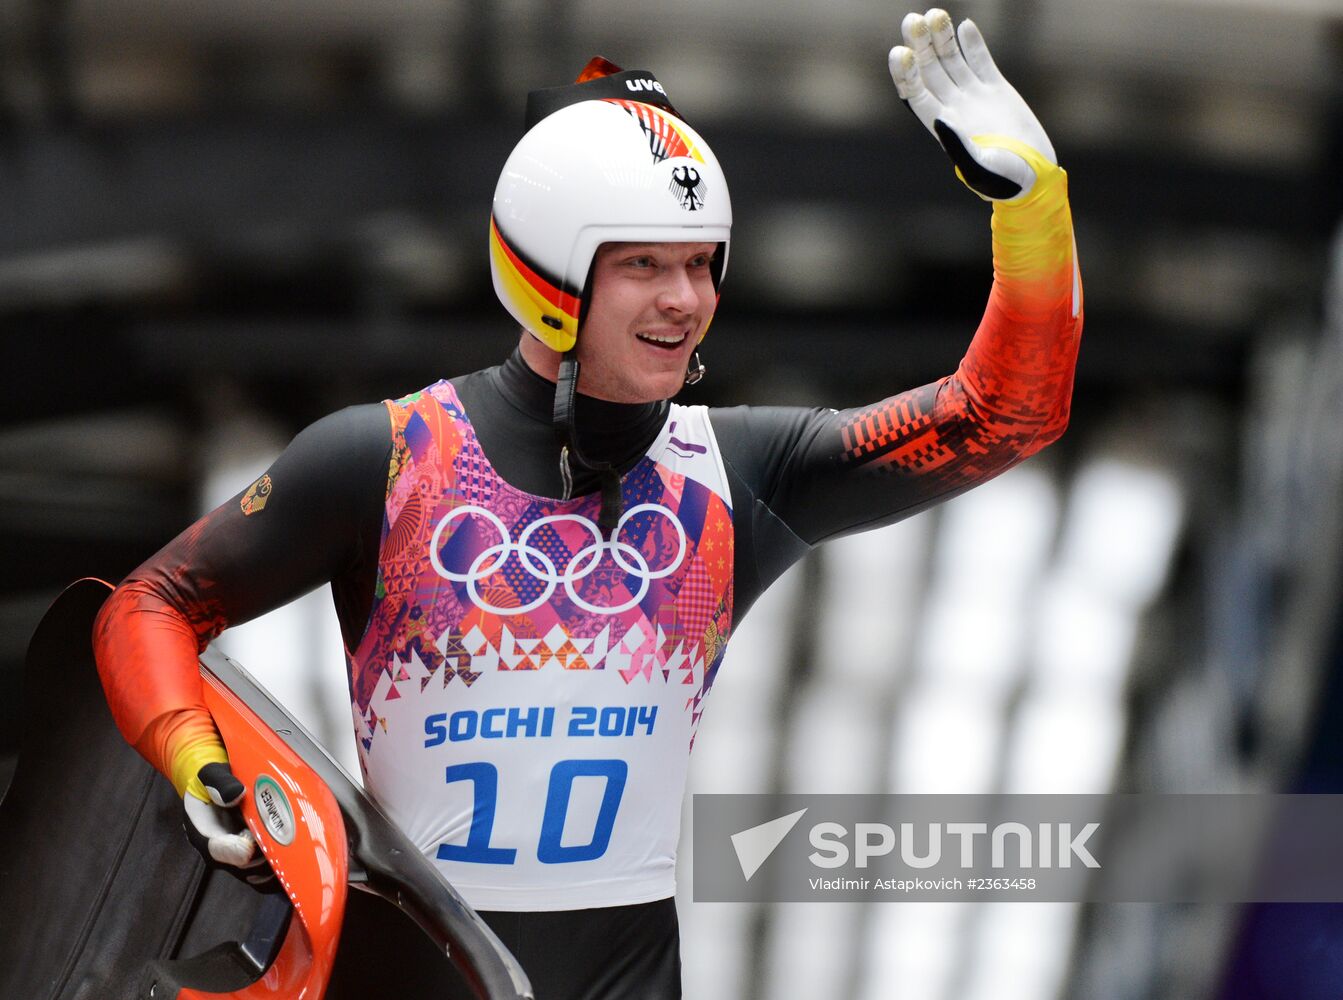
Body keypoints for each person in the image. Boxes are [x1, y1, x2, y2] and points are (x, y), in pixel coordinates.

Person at [93, 9, 1082, 998]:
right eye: (642, 264)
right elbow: (149, 605)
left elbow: (1005, 416)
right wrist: (198, 768)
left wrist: (1031, 211)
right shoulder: (386, 458)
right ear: (548, 276)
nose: (683, 299)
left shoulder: (734, 473)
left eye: (699, 263)